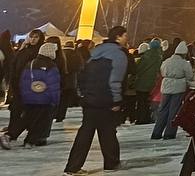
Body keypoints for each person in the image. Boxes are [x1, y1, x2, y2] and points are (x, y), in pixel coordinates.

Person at [64, 25, 129, 176]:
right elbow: (115, 80)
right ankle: (111, 163)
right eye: (125, 36)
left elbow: (83, 74)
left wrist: (84, 94)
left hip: (90, 99)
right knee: (108, 132)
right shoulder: (119, 55)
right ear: (118, 37)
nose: (127, 39)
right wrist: (116, 101)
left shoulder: (94, 52)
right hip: (106, 99)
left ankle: (73, 166)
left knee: (85, 132)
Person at [7, 41, 61, 147]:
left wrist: (25, 95)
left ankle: (12, 135)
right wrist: (55, 100)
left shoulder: (30, 63)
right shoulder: (51, 66)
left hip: (30, 97)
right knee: (40, 120)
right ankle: (30, 140)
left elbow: (24, 81)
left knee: (27, 117)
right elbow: (54, 86)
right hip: (45, 99)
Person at [4, 29, 45, 144]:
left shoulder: (40, 53)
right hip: (18, 86)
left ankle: (19, 135)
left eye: (36, 37)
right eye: (31, 37)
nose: (33, 39)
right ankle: (11, 133)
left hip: (32, 87)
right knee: (16, 110)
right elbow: (14, 67)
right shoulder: (23, 51)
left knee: (29, 113)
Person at [153, 41, 194, 140]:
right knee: (174, 110)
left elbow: (162, 71)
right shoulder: (184, 63)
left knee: (163, 110)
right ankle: (169, 133)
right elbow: (190, 76)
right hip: (178, 87)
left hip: (166, 86)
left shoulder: (166, 61)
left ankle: (156, 132)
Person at [132, 40, 162, 125]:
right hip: (152, 82)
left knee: (141, 101)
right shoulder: (159, 56)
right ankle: (146, 117)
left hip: (142, 82)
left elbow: (139, 69)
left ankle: (140, 118)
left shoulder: (146, 56)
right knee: (146, 101)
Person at [58, 37, 82, 123]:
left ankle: (56, 114)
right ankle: (61, 115)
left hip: (60, 79)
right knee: (65, 99)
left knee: (59, 98)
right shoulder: (76, 54)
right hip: (71, 80)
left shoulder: (61, 53)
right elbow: (80, 66)